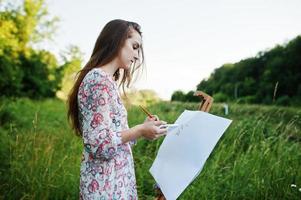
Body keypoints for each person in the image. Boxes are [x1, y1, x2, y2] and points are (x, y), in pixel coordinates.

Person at [67, 19, 167, 199]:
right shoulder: (98, 80)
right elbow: (99, 145)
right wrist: (139, 130)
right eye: (135, 46)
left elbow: (114, 137)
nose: (137, 56)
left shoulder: (106, 81)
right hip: (106, 188)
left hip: (115, 184)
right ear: (117, 40)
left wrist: (142, 130)